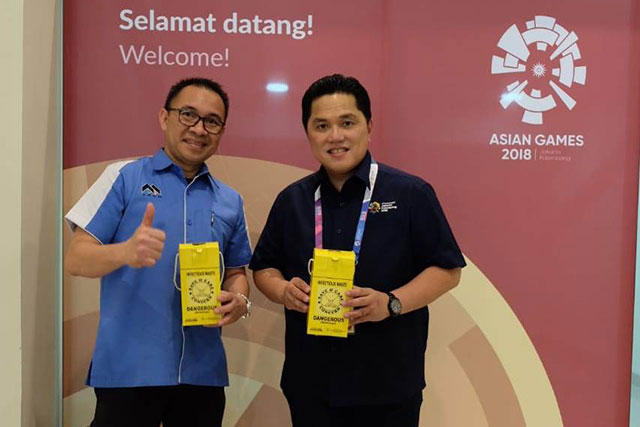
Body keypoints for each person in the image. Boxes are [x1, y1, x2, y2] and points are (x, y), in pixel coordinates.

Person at [250, 74, 466, 427]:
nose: (335, 136)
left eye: (347, 123)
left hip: (388, 385)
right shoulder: (292, 200)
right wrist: (283, 290)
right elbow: (264, 268)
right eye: (322, 125)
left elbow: (447, 270)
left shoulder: (410, 193)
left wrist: (391, 303)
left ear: (369, 126)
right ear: (308, 133)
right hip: (311, 383)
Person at [64, 77, 252, 427]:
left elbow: (236, 273)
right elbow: (76, 259)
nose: (199, 129)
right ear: (165, 118)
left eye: (212, 121)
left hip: (202, 375)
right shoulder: (123, 177)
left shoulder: (229, 200)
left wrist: (240, 301)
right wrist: (125, 252)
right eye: (188, 115)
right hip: (129, 372)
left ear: (221, 131)